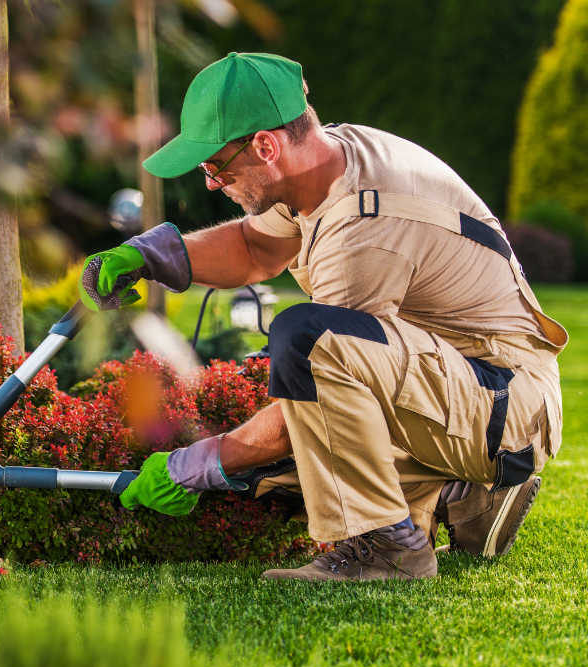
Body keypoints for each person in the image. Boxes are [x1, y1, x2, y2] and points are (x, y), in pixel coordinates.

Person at [79, 52, 567, 581]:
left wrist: (194, 465)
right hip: (465, 383)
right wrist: (150, 256)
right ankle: (464, 496)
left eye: (215, 166)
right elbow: (255, 248)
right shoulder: (325, 162)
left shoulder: (364, 227)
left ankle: (389, 548)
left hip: (504, 405)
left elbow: (314, 386)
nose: (212, 184)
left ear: (265, 146)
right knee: (277, 475)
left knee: (303, 348)